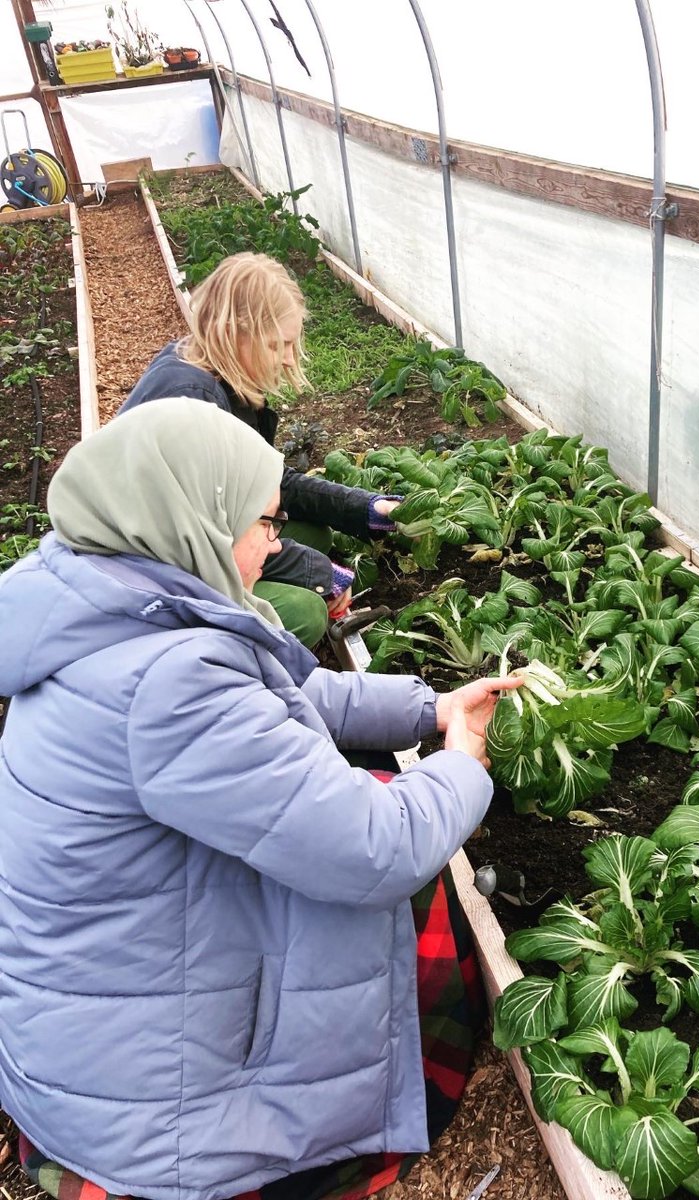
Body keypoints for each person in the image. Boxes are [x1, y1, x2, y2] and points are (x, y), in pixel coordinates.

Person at [0, 398, 520, 1200]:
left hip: (97, 1021)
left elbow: (292, 693)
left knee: (381, 793)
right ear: (198, 517)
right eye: (266, 523)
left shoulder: (116, 597)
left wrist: (433, 707)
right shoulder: (166, 681)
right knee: (400, 851)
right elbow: (374, 851)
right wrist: (464, 762)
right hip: (153, 1110)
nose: (277, 543)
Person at [119, 251, 401, 647]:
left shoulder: (215, 376)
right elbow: (202, 539)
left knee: (312, 533)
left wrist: (369, 508)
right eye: (279, 344)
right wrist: (320, 576)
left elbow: (266, 483)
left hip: (197, 545)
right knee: (303, 612)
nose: (289, 359)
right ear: (236, 333)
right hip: (155, 581)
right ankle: (228, 673)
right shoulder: (190, 403)